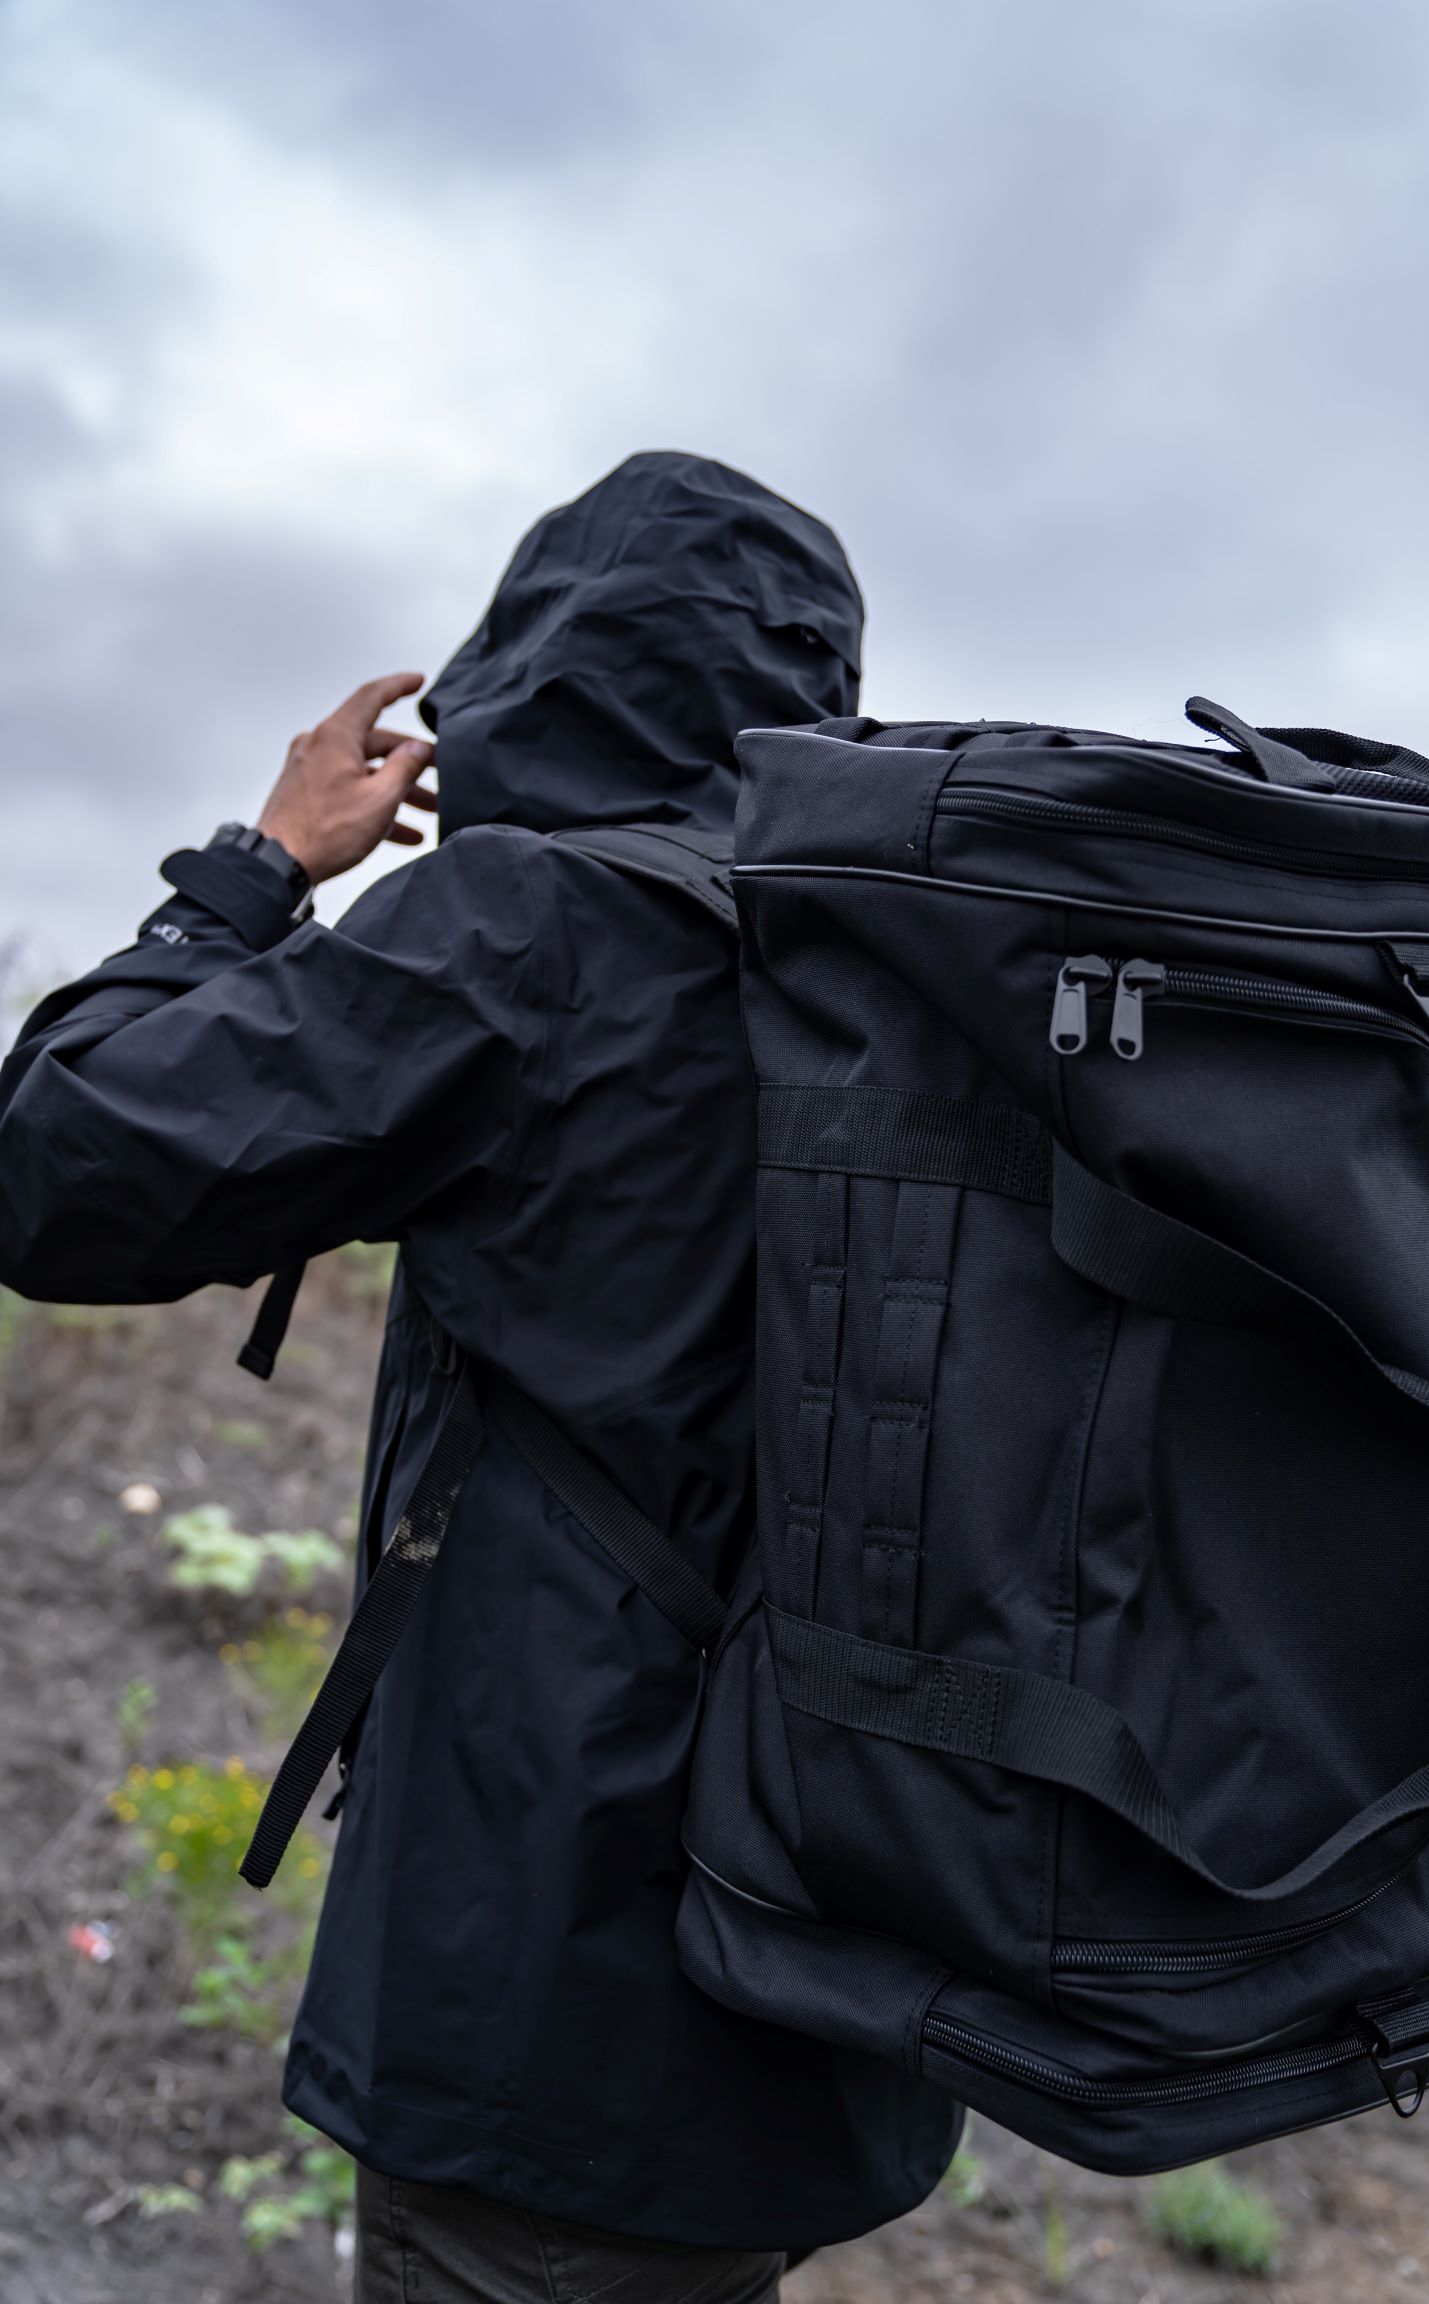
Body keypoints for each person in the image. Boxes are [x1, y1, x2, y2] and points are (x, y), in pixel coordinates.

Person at [0, 453, 961, 2301]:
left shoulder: (533, 928)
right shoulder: (895, 970)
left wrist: (256, 870)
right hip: (836, 1954)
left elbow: (57, 1166)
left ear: (533, 655)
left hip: (545, 1995)